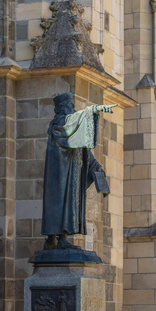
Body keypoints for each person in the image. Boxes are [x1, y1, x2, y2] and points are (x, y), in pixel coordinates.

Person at [41, 92, 116, 250]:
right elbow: (73, 123)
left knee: (70, 204)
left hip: (72, 175)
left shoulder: (75, 132)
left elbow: (85, 152)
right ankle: (55, 239)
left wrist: (96, 167)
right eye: (70, 105)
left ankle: (60, 239)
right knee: (59, 203)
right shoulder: (60, 124)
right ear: (61, 107)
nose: (73, 108)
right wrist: (93, 109)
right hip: (60, 175)